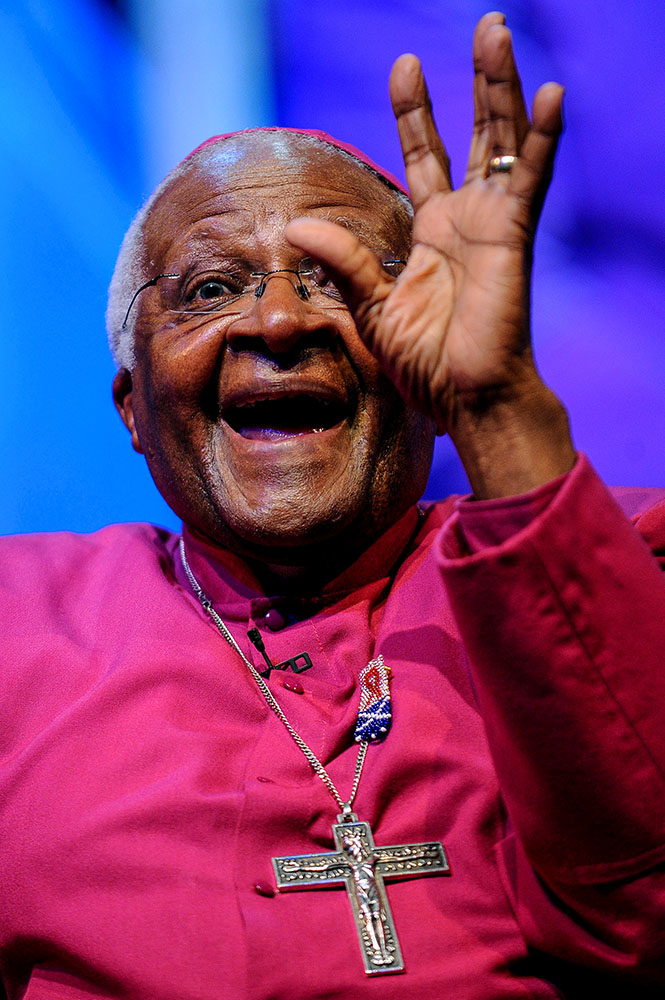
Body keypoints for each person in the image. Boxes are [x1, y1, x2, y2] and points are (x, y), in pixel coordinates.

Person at [2, 12, 665, 999]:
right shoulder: (19, 626)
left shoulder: (614, 560)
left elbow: (641, 919)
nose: (279, 318)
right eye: (211, 287)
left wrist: (493, 406)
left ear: (419, 373)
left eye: (340, 282)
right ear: (134, 407)